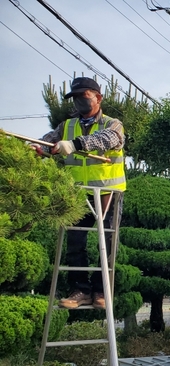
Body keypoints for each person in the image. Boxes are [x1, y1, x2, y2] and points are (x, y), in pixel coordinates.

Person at [37, 77, 126, 309]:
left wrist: (76, 144)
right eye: (75, 97)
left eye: (83, 96)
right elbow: (48, 141)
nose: (78, 101)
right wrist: (39, 147)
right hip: (77, 194)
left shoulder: (112, 124)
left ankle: (101, 291)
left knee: (106, 241)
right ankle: (79, 290)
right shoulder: (66, 126)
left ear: (98, 97)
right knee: (75, 242)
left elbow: (108, 140)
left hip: (107, 192)